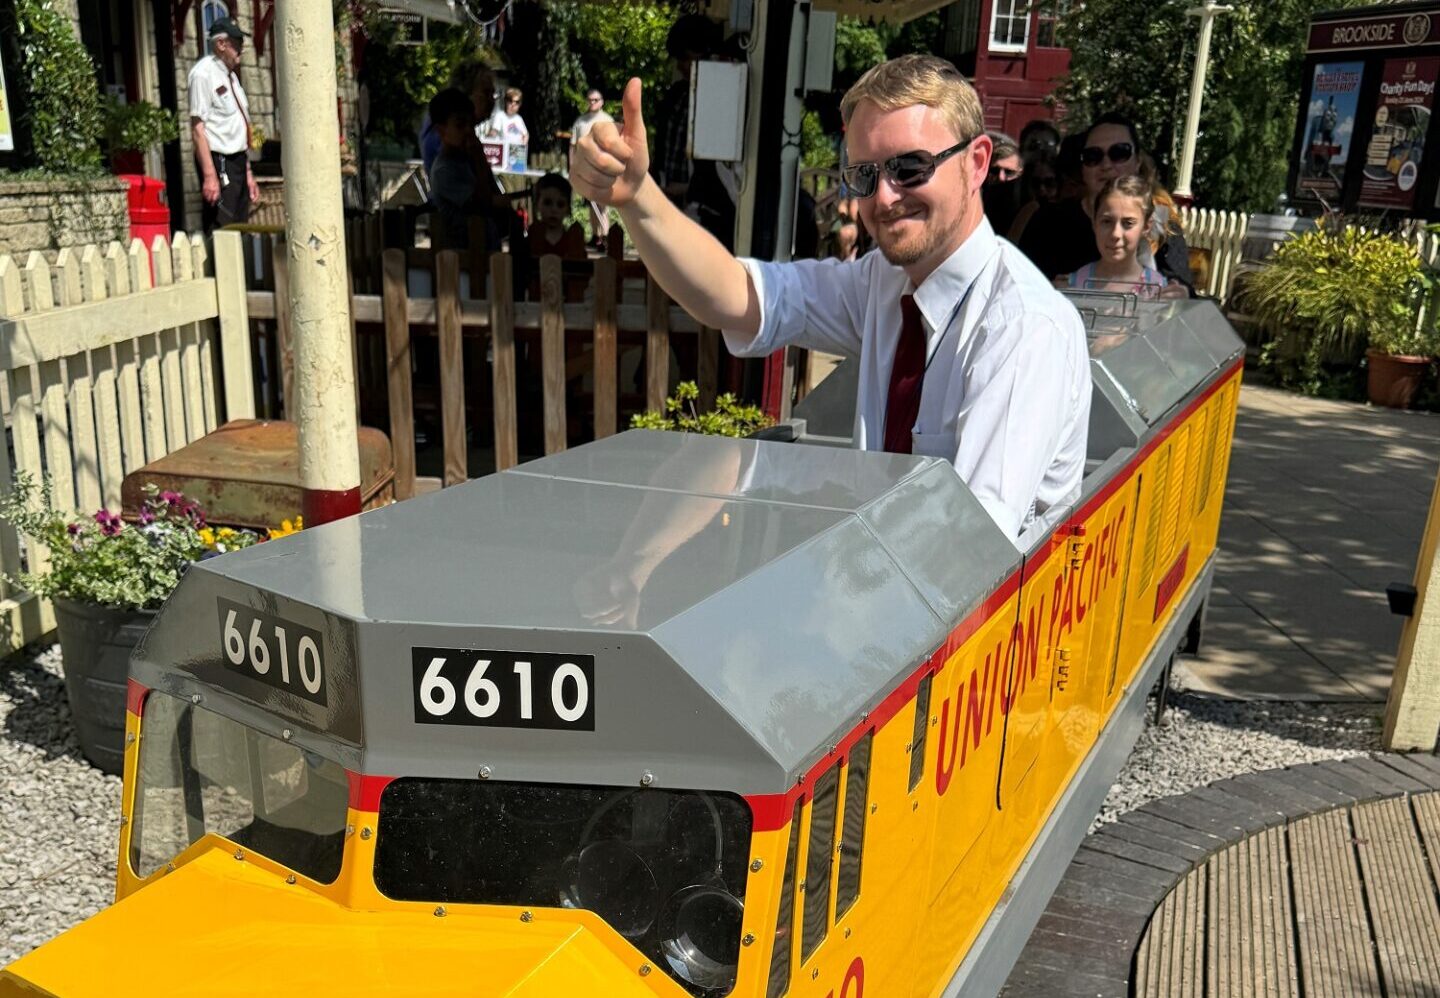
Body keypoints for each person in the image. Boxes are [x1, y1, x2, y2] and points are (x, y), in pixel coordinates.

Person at [571, 55, 1090, 540]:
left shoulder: (1020, 328)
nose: (884, 197)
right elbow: (734, 295)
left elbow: (971, 549)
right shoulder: (884, 282)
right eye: (865, 175)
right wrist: (639, 200)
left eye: (910, 167)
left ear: (977, 163)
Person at [1016, 112, 1191, 295]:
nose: (1106, 164)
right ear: (1082, 168)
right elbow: (1019, 288)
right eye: (1093, 156)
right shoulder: (1048, 222)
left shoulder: (1162, 222)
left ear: (1138, 161)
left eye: (1119, 153)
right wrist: (1050, 292)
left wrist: (1180, 294)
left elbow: (1184, 289)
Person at [188, 17, 257, 234]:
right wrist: (210, 175)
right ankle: (219, 269)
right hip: (220, 160)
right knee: (222, 225)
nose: (241, 50)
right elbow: (198, 128)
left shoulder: (232, 78)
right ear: (221, 44)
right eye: (236, 44)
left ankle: (239, 269)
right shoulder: (203, 74)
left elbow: (239, 126)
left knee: (241, 225)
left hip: (238, 160)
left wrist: (248, 174)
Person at [1062, 174, 1168, 297]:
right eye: (1107, 221)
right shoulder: (1073, 286)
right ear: (1094, 223)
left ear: (1146, 227)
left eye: (1128, 223)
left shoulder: (1157, 289)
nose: (1115, 234)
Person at [426, 88, 480, 250]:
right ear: (441, 131)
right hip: (461, 257)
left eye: (471, 125)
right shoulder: (444, 171)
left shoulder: (464, 160)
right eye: (460, 125)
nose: (468, 131)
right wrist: (479, 158)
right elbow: (482, 204)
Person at [571, 90, 615, 247]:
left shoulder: (608, 121)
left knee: (602, 204)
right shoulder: (581, 122)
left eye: (596, 100)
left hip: (602, 168)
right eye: (590, 100)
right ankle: (596, 235)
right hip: (585, 169)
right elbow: (573, 146)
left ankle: (605, 235)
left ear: (602, 101)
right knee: (591, 203)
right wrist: (572, 166)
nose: (593, 102)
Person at [527, 173, 588, 260]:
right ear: (537, 205)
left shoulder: (573, 241)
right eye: (547, 203)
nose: (554, 210)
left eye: (560, 204)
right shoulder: (531, 239)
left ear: (568, 209)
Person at [982, 131, 1024, 237]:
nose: (1001, 177)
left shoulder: (1026, 211)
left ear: (1021, 173)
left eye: (1009, 172)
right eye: (994, 171)